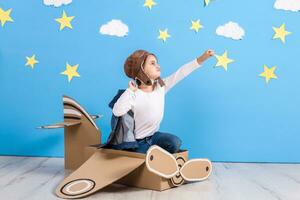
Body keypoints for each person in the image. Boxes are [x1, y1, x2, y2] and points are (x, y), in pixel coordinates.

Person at [112, 49, 214, 154]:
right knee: (142, 157)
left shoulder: (160, 87)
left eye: (157, 62)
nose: (158, 66)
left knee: (175, 142)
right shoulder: (133, 94)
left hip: (154, 137)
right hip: (138, 142)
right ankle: (147, 156)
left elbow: (181, 73)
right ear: (141, 68)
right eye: (152, 63)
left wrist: (202, 58)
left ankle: (155, 156)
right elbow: (117, 111)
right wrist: (129, 91)